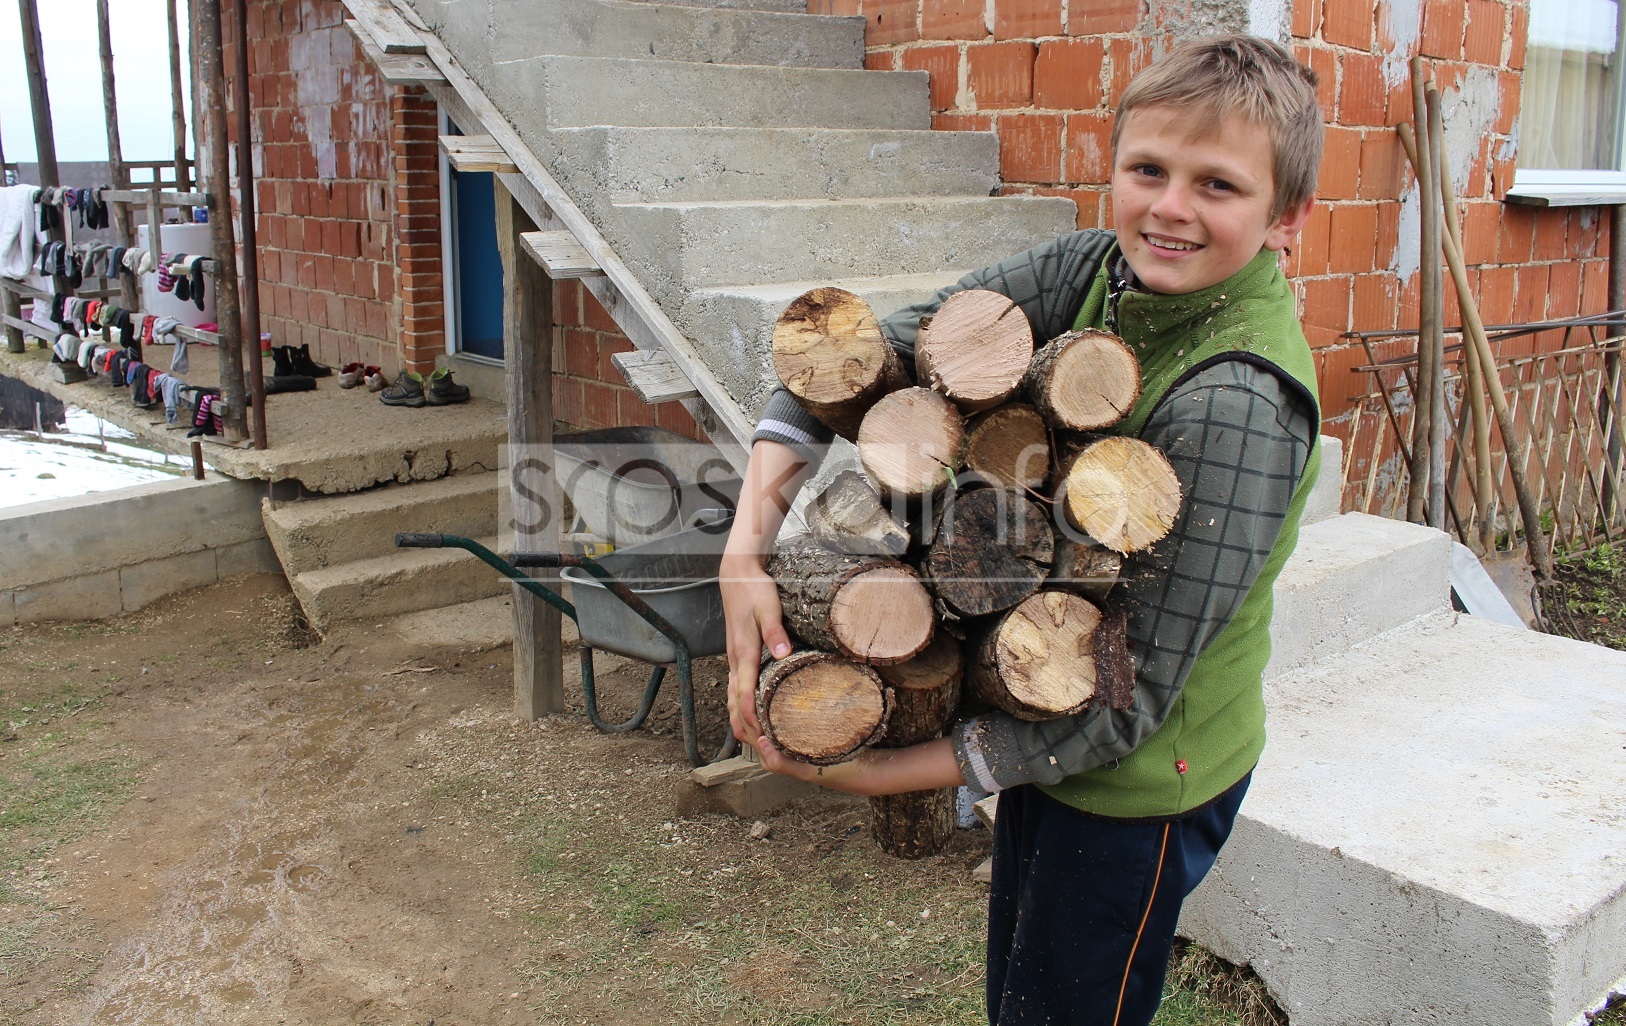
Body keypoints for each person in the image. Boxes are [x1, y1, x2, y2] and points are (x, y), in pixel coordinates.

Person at [721, 34, 1324, 1026]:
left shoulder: (1238, 406)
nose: (1170, 207)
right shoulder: (1092, 271)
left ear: (1285, 217)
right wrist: (746, 543)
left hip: (1140, 783)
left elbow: (1129, 701)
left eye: (1216, 185)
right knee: (1023, 1000)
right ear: (1114, 167)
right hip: (1052, 714)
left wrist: (882, 768)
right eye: (1148, 170)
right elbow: (868, 353)